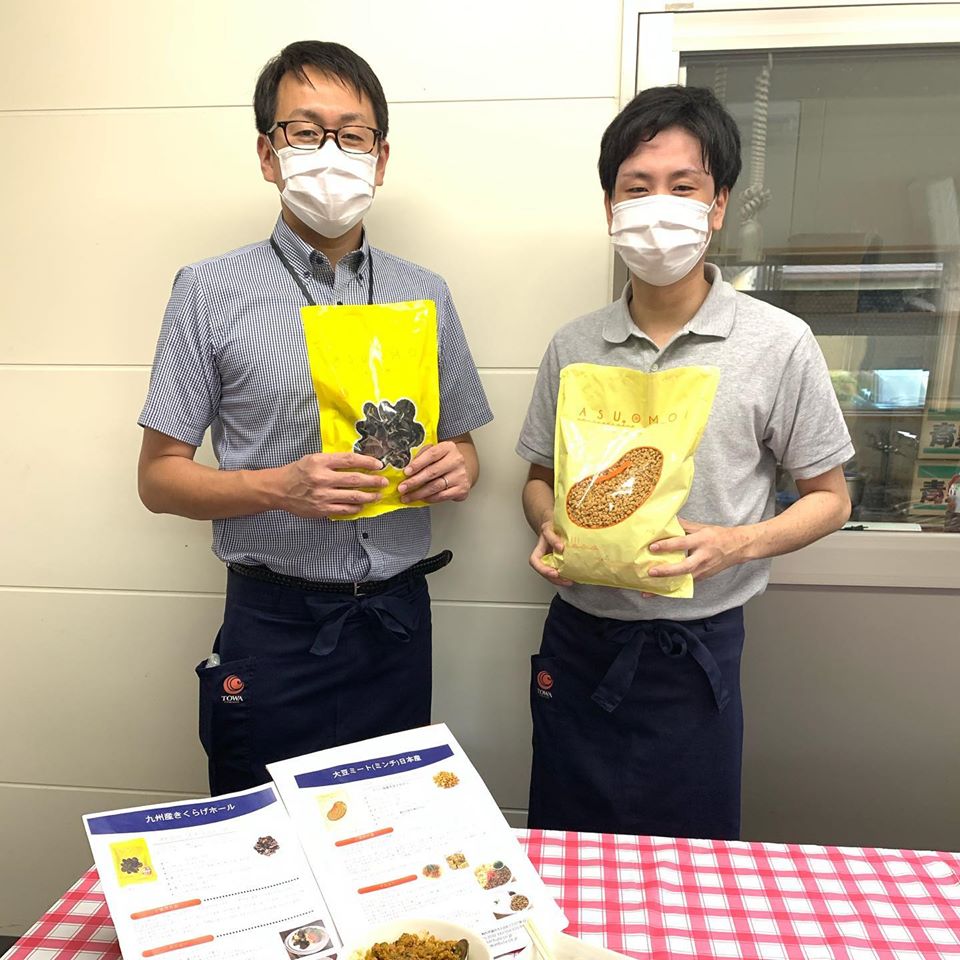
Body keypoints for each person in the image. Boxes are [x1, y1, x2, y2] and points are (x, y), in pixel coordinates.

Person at [138, 41, 492, 795]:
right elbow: (159, 479)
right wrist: (279, 487)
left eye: (352, 134)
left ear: (380, 158)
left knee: (393, 835)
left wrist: (457, 467)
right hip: (272, 626)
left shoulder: (425, 292)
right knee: (264, 838)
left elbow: (464, 448)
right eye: (305, 131)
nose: (331, 152)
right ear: (268, 154)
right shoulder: (207, 291)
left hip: (397, 623)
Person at [516, 85, 852, 840]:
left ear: (718, 204)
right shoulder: (574, 344)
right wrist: (547, 524)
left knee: (691, 856)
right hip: (579, 639)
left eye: (683, 186)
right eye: (637, 188)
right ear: (610, 208)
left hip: (696, 647)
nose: (657, 207)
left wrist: (738, 542)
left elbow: (831, 498)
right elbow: (539, 480)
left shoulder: (778, 343)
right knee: (566, 845)